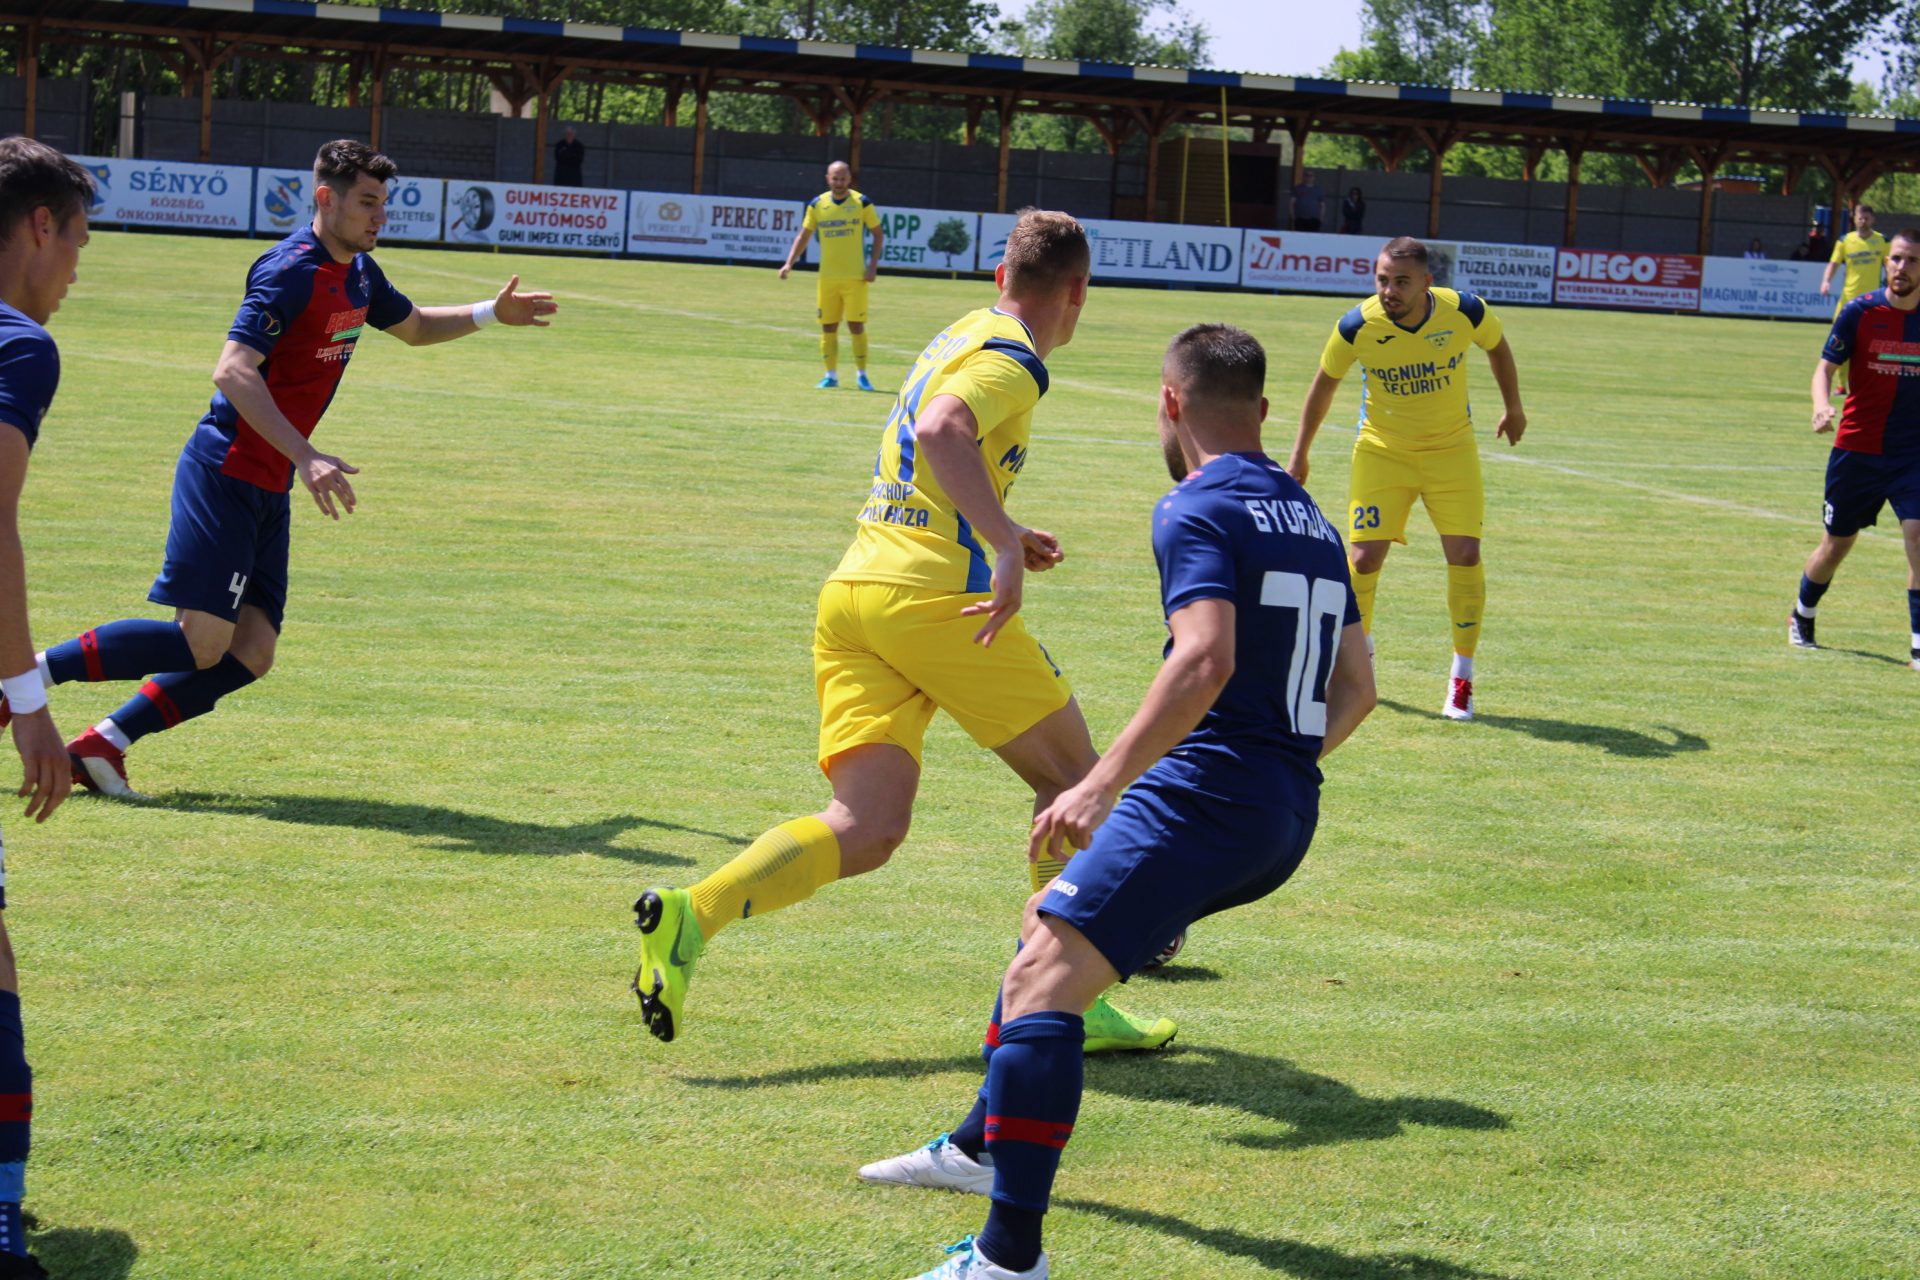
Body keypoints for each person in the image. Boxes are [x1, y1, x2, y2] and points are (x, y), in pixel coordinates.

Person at [862, 324, 1376, 1280]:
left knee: (1041, 987)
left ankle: (1008, 1258)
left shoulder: (1195, 505)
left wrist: (1101, 783)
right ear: (1265, 411)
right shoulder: (1310, 518)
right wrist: (1277, 770)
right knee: (1043, 929)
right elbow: (1358, 688)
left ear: (1171, 403)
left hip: (1206, 797)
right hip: (1281, 808)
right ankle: (976, 1149)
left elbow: (1205, 658)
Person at [631, 209, 1175, 1056]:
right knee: (1073, 782)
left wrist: (1001, 524)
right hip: (935, 598)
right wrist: (1000, 545)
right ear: (1078, 292)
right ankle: (1063, 1002)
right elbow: (941, 430)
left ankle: (691, 915)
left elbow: (932, 455)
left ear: (1001, 276)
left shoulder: (962, 330)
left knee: (867, 826)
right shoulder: (1017, 356)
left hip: (857, 592)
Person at [28, 140, 557, 798]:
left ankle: (103, 744)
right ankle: (20, 679)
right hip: (227, 468)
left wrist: (489, 314)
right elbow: (233, 370)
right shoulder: (291, 271)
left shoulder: (360, 275)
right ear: (326, 198)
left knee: (251, 650)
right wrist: (306, 454)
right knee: (200, 643)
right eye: (367, 202)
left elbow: (417, 327)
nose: (379, 216)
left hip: (268, 481)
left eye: (383, 203)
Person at [1287, 236, 1528, 721]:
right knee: (1362, 560)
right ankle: (1359, 661)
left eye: (1401, 282)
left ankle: (1461, 678)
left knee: (1466, 553)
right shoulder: (1357, 326)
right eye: (1382, 280)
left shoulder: (1466, 311)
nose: (1389, 291)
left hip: (1451, 452)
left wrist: (1514, 406)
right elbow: (1324, 384)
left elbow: (1497, 347)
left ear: (1426, 282)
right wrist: (1300, 455)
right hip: (1382, 453)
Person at [0, 136, 96, 1280]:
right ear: (38, 227)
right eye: (77, 241)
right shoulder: (20, 343)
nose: (76, 267)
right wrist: (30, 698)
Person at [1787, 228, 1920, 672]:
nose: (1902, 267)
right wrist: (1821, 405)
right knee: (1836, 545)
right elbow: (1824, 370)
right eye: (1897, 258)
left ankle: (1919, 646)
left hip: (1911, 453)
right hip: (1857, 449)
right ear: (1886, 261)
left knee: (1918, 535)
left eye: (1912, 260)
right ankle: (1802, 614)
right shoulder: (1860, 312)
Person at [779, 160, 885, 391]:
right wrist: (789, 263)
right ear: (828, 179)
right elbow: (804, 236)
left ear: (850, 180)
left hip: (855, 278)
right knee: (828, 327)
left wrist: (872, 266)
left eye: (843, 178)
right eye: (835, 178)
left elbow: (878, 234)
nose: (839, 183)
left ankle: (862, 375)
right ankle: (831, 376)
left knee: (856, 326)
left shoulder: (862, 202)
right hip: (827, 278)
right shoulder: (817, 204)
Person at [1823, 205, 1889, 396]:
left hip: (1874, 302)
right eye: (1860, 218)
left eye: (1866, 218)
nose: (1863, 221)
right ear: (1854, 219)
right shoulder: (1845, 240)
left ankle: (1871, 383)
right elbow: (1834, 263)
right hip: (1848, 300)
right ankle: (1841, 384)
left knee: (1872, 345)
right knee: (1840, 342)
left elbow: (1891, 264)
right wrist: (1826, 281)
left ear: (1873, 219)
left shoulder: (1883, 241)